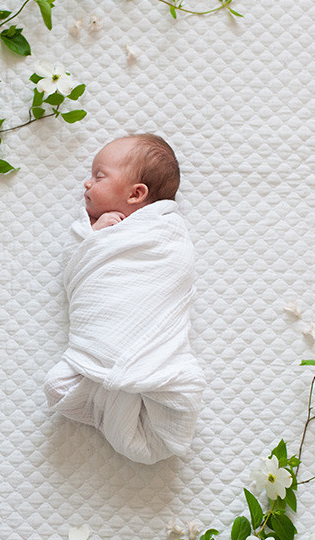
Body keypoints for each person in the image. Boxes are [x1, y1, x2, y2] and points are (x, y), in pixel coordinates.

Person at [44, 134, 205, 464]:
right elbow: (75, 265)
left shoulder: (163, 232)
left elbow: (173, 269)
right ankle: (112, 396)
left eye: (99, 175)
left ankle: (114, 393)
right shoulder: (89, 229)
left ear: (137, 193)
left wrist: (103, 236)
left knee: (62, 387)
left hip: (150, 351)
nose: (87, 183)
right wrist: (95, 236)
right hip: (99, 347)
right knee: (56, 386)